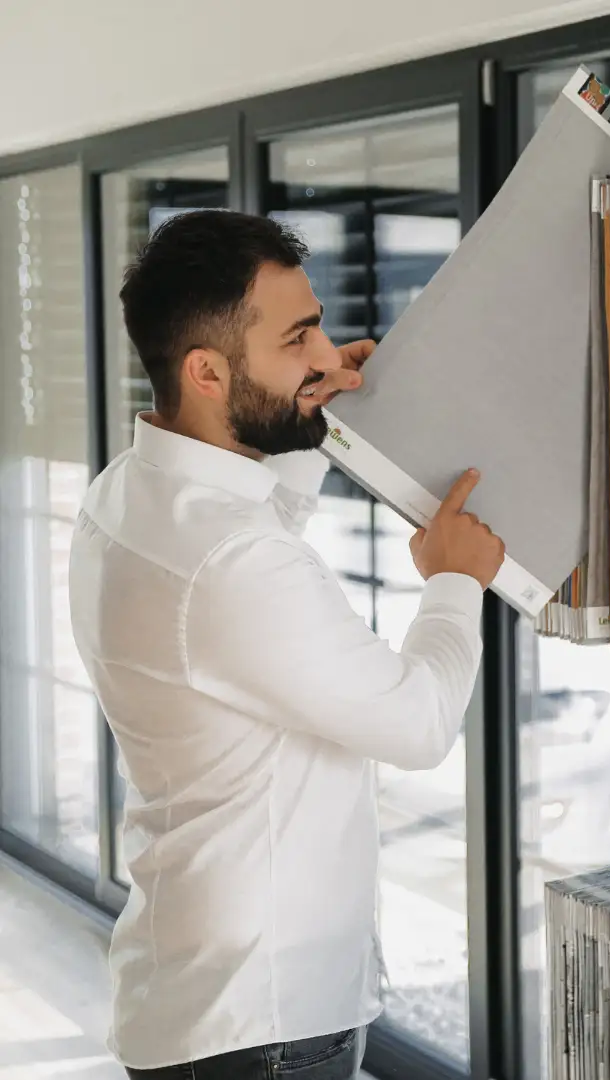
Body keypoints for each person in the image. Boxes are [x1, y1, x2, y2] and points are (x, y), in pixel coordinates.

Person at [68, 209, 505, 1079]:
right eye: (298, 338)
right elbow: (416, 723)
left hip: (199, 991)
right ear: (205, 371)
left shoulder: (127, 493)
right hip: (261, 1024)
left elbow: (250, 523)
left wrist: (312, 405)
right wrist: (456, 583)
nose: (324, 351)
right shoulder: (232, 564)